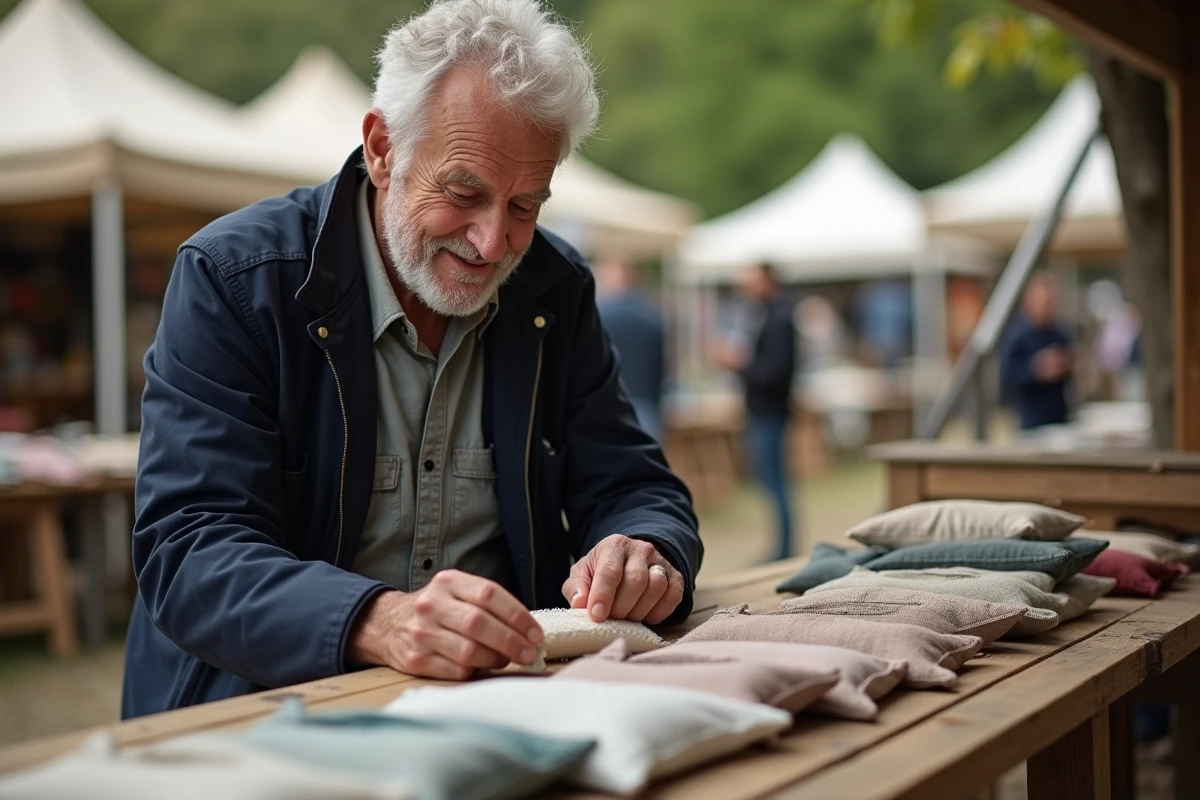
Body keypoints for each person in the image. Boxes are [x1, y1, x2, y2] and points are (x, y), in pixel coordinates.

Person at [122, 0, 701, 719]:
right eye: (464, 193)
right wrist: (377, 620)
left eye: (526, 206)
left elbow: (632, 483)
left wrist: (644, 547)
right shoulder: (236, 279)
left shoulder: (555, 288)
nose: (492, 242)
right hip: (259, 713)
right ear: (382, 149)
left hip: (494, 711)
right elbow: (188, 551)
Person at [712, 263, 797, 561]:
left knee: (774, 481)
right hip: (764, 410)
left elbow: (776, 371)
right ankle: (781, 547)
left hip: (770, 411)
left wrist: (739, 364)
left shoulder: (779, 318)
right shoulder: (767, 314)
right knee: (769, 480)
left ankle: (784, 549)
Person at [595, 259, 667, 439]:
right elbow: (661, 367)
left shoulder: (599, 317)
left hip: (607, 408)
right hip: (647, 407)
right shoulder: (653, 317)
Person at [1000, 274, 1074, 431]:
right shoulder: (1017, 335)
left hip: (1059, 416)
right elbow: (1006, 376)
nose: (1046, 309)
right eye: (1042, 304)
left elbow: (1069, 375)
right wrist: (1036, 369)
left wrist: (1067, 364)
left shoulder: (1059, 334)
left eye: (1049, 303)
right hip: (1031, 419)